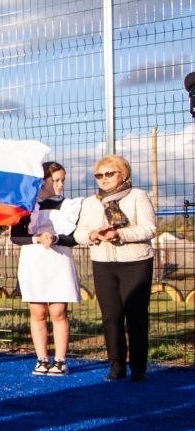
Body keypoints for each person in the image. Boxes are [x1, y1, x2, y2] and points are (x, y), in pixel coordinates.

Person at [73, 154, 156, 382]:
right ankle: (116, 366)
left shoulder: (138, 196)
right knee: (111, 316)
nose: (103, 179)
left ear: (123, 174)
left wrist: (120, 234)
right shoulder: (90, 203)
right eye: (99, 175)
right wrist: (92, 235)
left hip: (136, 263)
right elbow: (79, 234)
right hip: (103, 264)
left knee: (136, 316)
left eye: (109, 173)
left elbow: (149, 228)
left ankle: (138, 368)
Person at [11, 162, 80, 376]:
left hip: (59, 259)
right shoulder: (26, 205)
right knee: (38, 311)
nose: (60, 184)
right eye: (55, 180)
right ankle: (41, 359)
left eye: (62, 180)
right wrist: (37, 238)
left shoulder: (70, 205)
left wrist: (56, 237)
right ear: (43, 181)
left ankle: (60, 360)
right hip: (33, 259)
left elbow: (74, 238)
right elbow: (16, 236)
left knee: (58, 311)